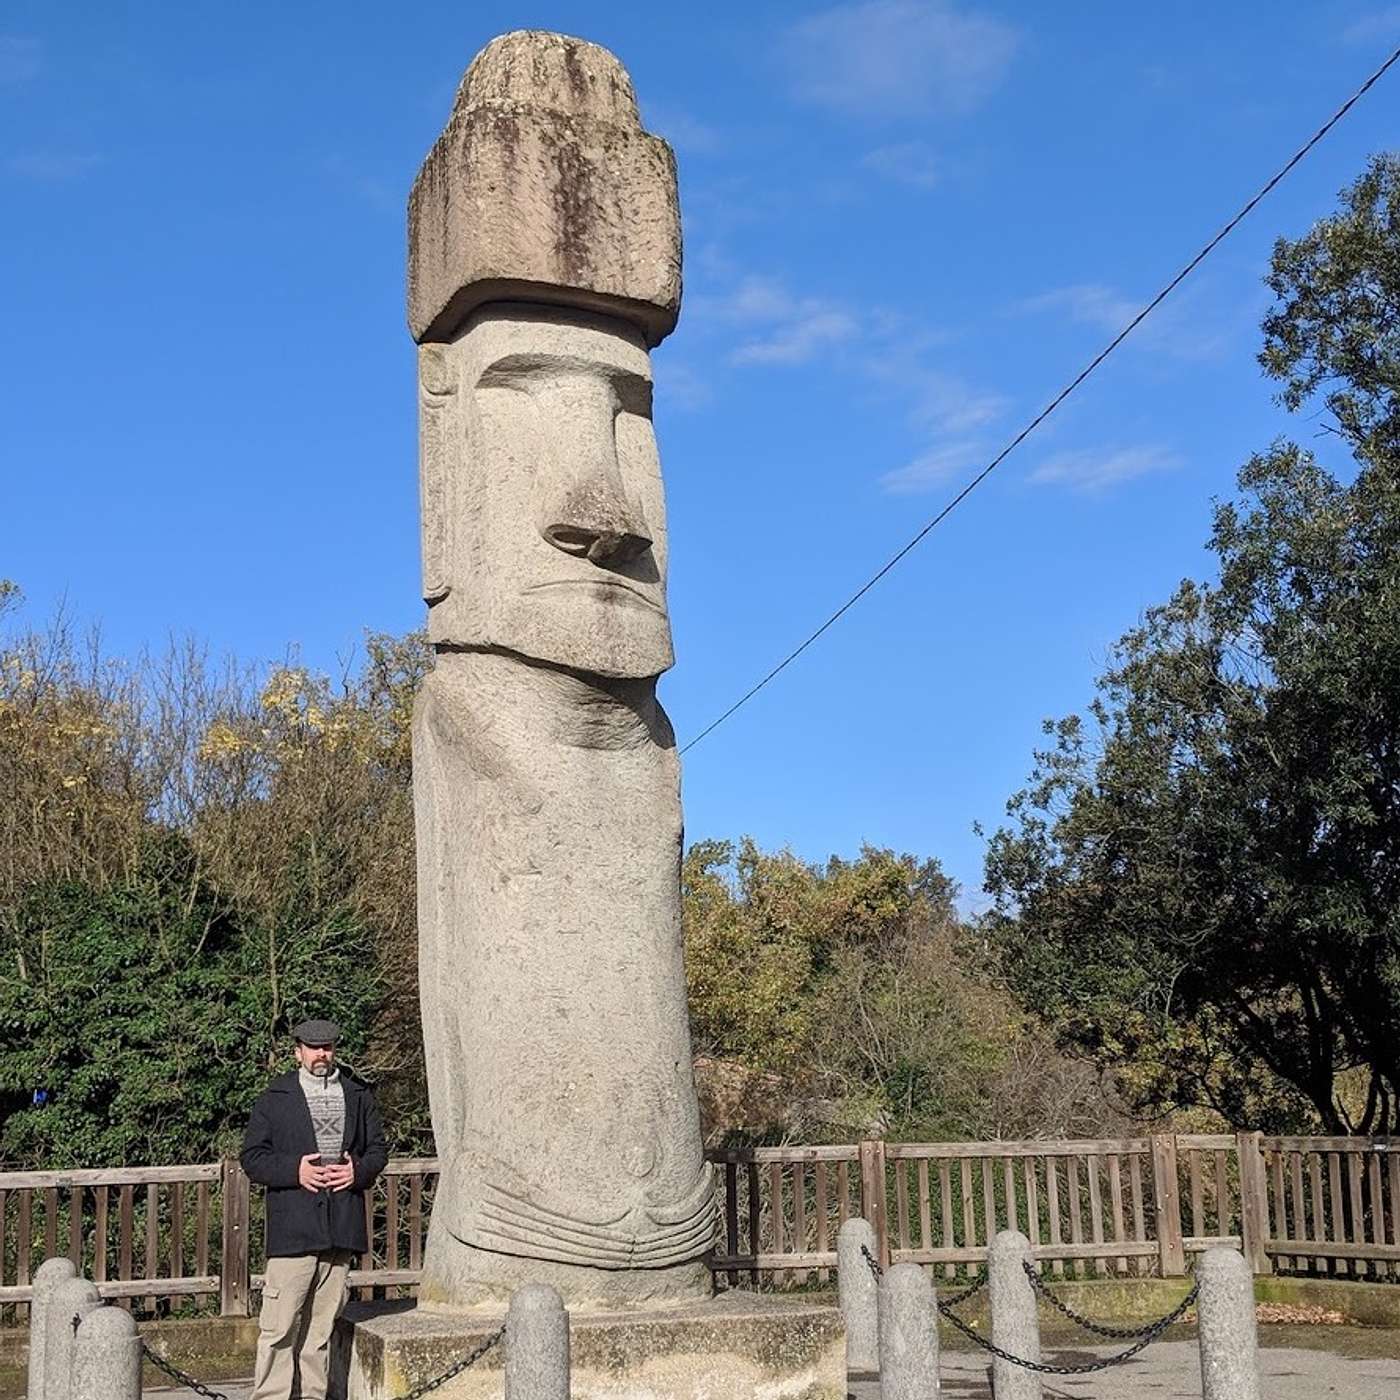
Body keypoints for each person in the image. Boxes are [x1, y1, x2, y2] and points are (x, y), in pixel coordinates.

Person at [241, 1018, 387, 1400]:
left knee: (320, 1333)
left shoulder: (358, 1094)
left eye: (327, 1047)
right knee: (278, 1331)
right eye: (313, 1047)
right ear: (298, 1052)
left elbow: (378, 1153)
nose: (321, 1054)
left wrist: (357, 1171)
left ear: (334, 1050)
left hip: (340, 1229)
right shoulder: (275, 1097)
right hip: (292, 1233)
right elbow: (252, 1158)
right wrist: (295, 1170)